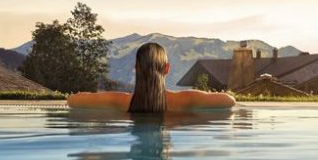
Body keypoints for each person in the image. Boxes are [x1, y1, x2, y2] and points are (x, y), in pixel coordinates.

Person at [67, 42, 236, 112]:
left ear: (136, 69)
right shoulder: (185, 100)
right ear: (167, 68)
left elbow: (72, 101)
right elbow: (229, 101)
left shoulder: (120, 102)